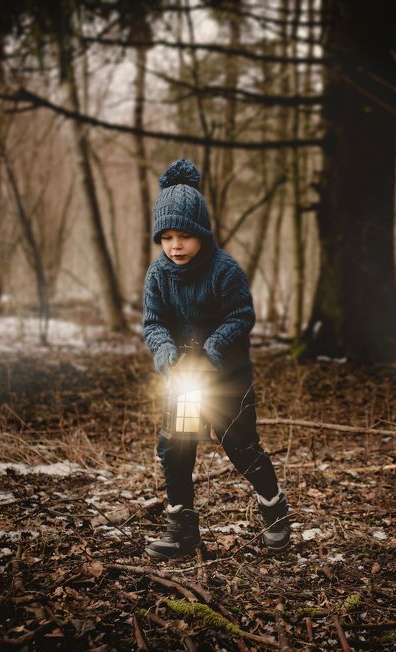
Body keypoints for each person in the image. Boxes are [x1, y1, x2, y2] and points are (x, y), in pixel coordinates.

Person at [141, 158, 290, 559]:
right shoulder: (158, 277)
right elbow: (153, 322)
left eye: (185, 236)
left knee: (240, 444)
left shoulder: (225, 272)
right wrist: (164, 350)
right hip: (186, 381)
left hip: (227, 379)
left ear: (202, 234)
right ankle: (182, 530)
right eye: (167, 237)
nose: (176, 245)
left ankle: (275, 511)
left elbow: (242, 316)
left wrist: (213, 348)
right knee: (177, 446)